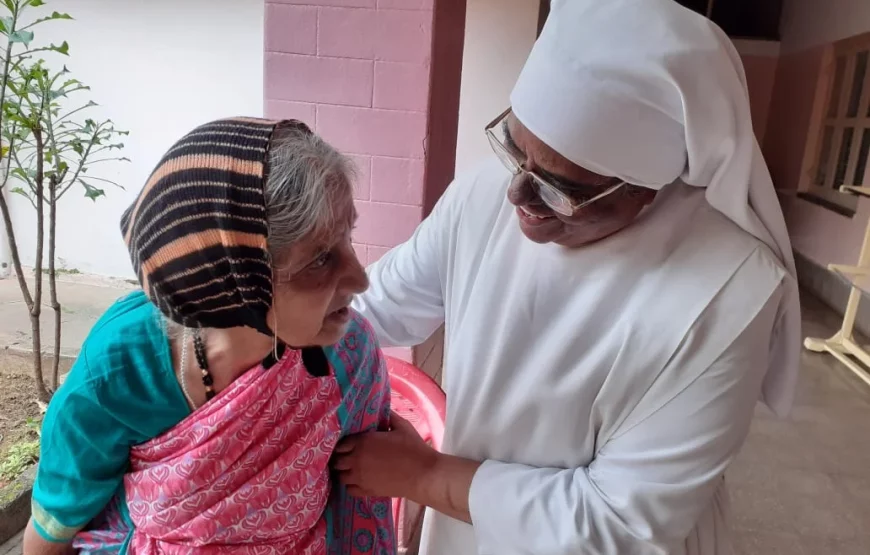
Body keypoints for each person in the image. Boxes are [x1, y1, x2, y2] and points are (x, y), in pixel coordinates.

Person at [333, 1, 801, 554]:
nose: (518, 196)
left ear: (648, 185)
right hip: (466, 526)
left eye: (562, 188)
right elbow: (371, 306)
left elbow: (619, 526)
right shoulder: (485, 194)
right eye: (514, 147)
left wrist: (423, 478)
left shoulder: (728, 291)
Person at [24, 118, 395, 554]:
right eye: (319, 260)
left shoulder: (348, 356)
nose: (360, 278)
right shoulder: (120, 368)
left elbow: (358, 513)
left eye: (348, 237)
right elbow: (53, 528)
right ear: (236, 280)